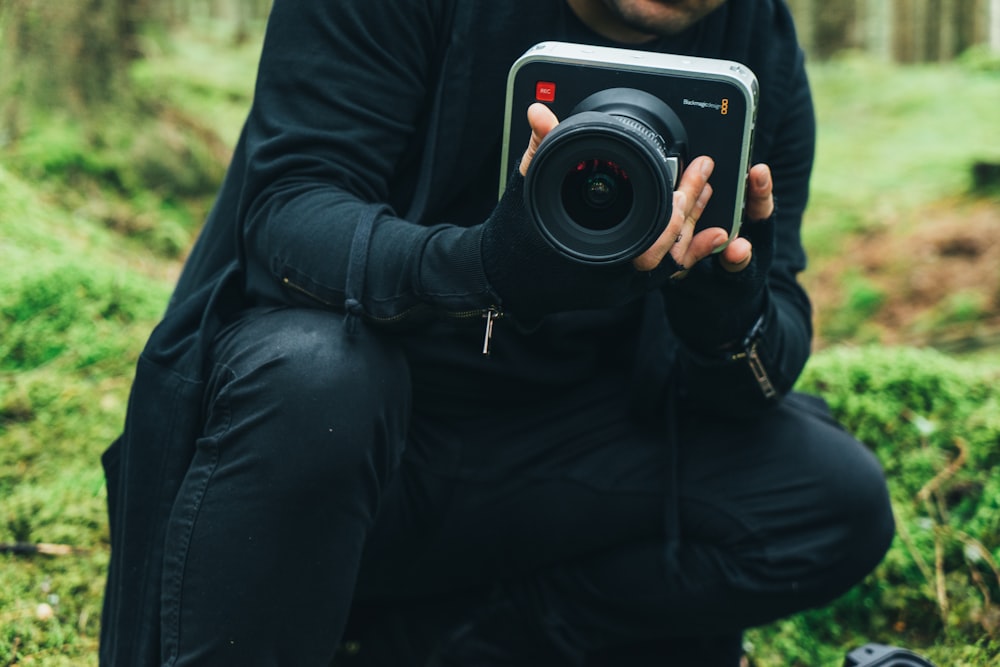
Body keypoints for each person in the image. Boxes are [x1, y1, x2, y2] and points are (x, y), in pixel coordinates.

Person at [99, 0, 896, 665]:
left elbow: (771, 346)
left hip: (560, 452)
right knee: (316, 375)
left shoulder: (754, 46)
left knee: (831, 497)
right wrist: (487, 265)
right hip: (335, 441)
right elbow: (288, 213)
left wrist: (723, 297)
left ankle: (442, 644)